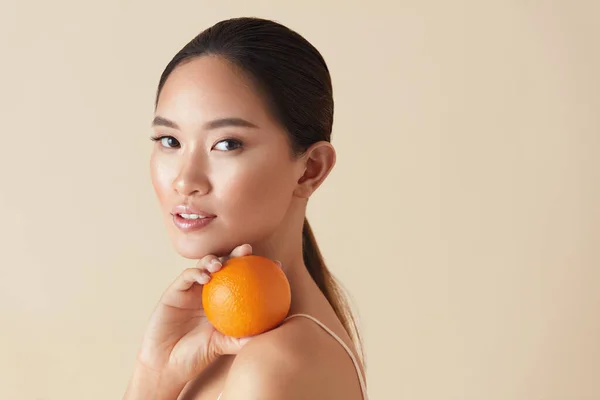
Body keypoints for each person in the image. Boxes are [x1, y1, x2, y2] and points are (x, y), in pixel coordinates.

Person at [123, 17, 368, 400]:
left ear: (311, 169)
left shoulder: (274, 364)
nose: (186, 181)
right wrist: (154, 376)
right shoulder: (218, 346)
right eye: (170, 140)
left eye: (227, 144)